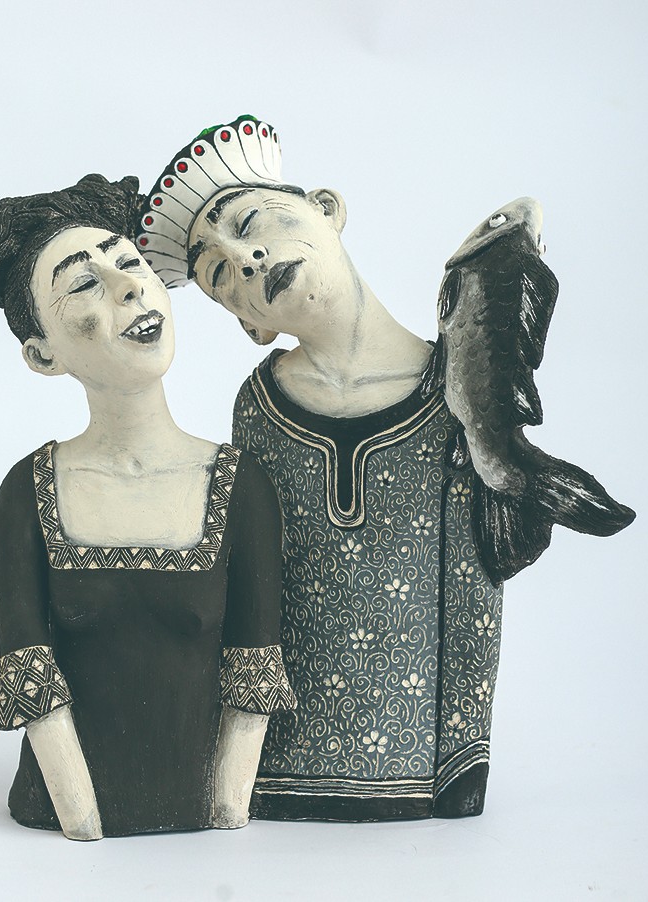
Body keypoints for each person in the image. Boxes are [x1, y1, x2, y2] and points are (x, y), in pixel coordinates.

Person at [136, 117, 503, 820]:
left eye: (250, 223)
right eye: (219, 275)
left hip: (417, 768)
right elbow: (250, 580)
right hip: (275, 762)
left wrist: (465, 755)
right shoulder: (258, 407)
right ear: (249, 323)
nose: (246, 259)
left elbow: (473, 584)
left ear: (326, 209)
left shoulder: (453, 389)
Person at [0, 173, 295, 839]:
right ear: (42, 355)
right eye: (83, 283)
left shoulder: (241, 486)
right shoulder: (27, 494)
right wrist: (82, 820)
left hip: (203, 813)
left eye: (130, 263)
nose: (128, 288)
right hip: (62, 809)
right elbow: (29, 672)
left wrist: (226, 807)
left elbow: (254, 668)